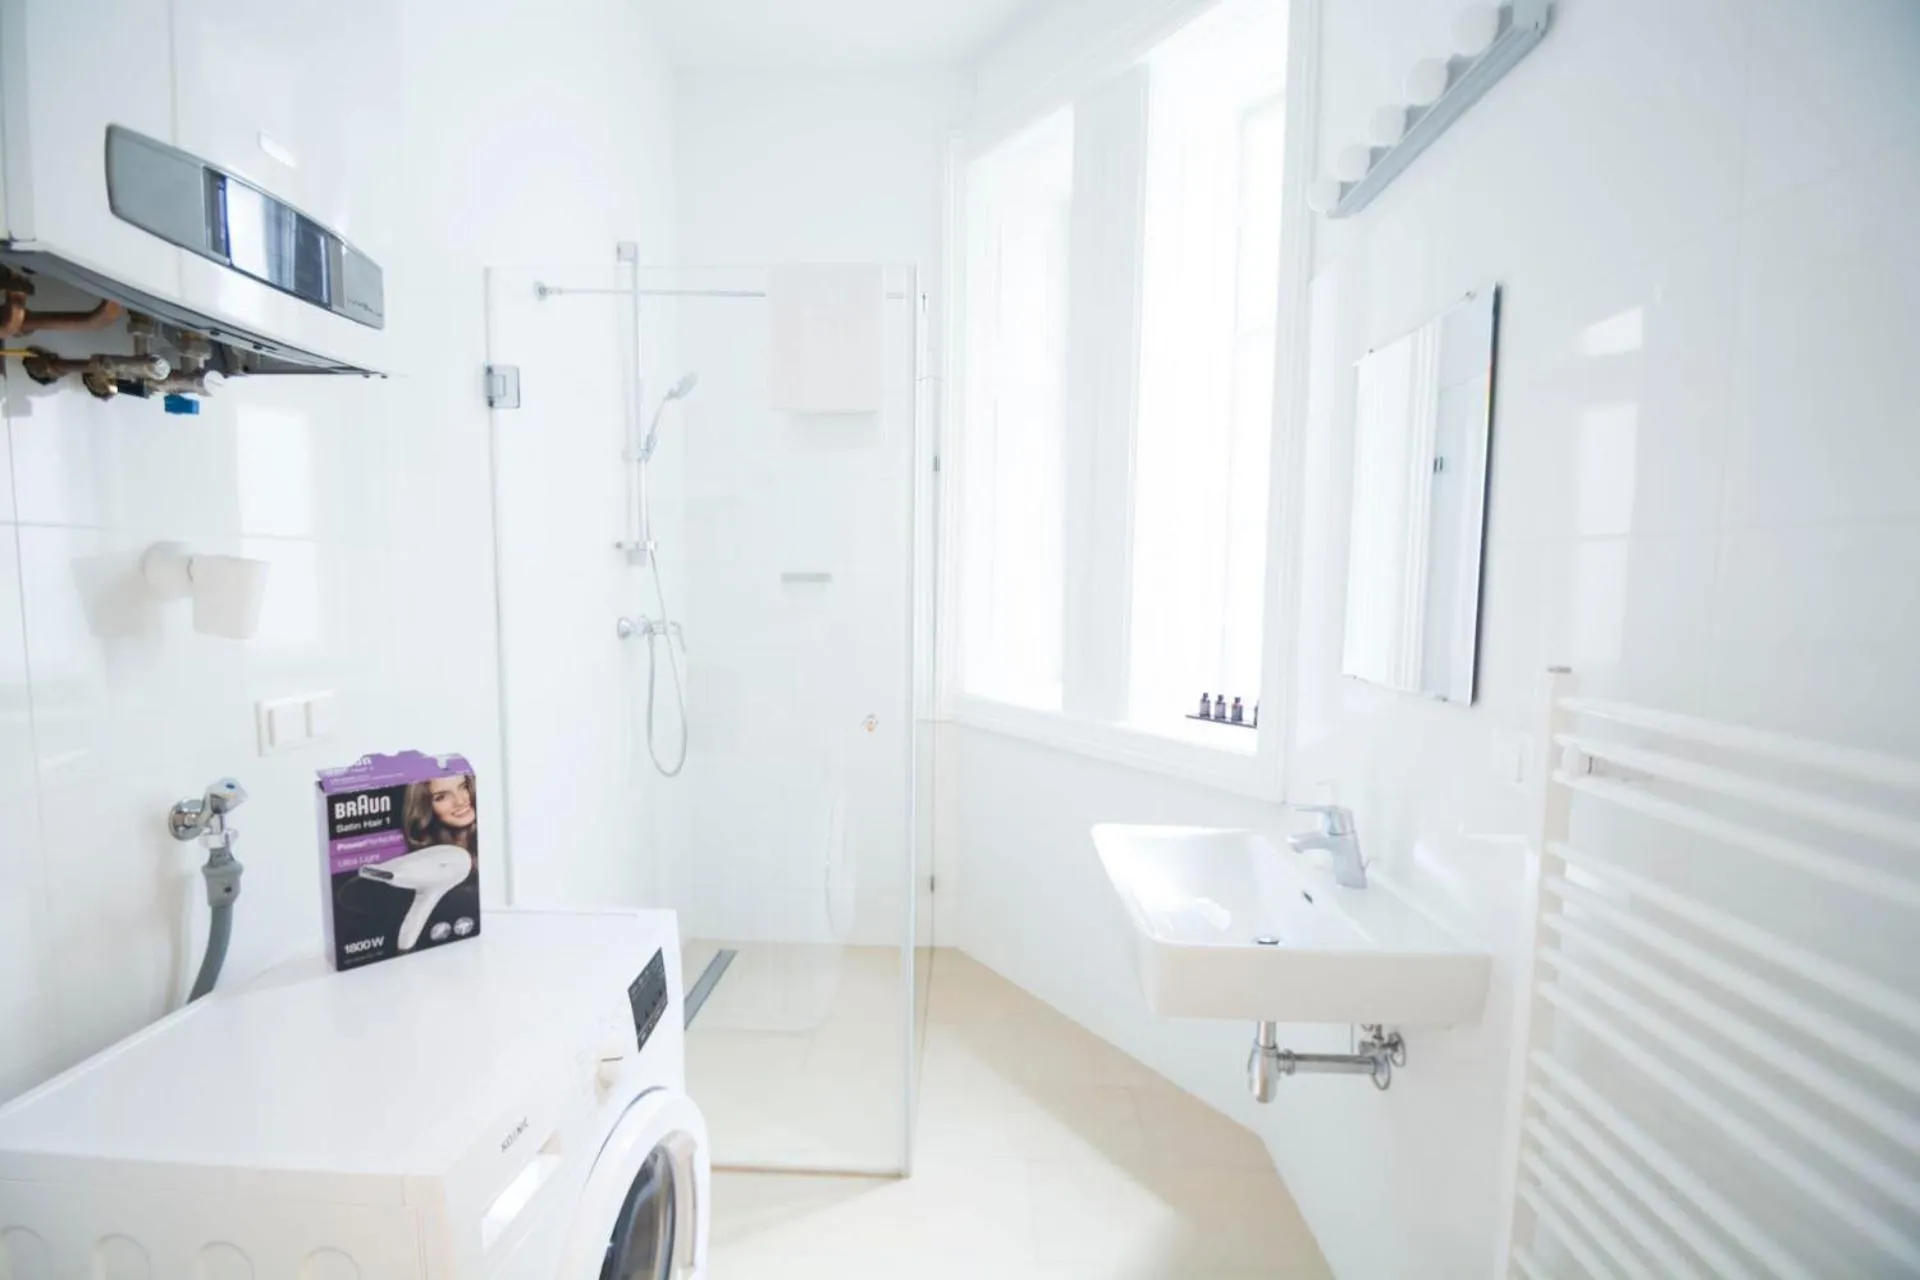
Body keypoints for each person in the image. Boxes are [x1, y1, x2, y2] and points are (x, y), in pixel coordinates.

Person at [403, 772, 477, 855]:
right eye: (441, 797)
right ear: (425, 807)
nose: (460, 801)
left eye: (464, 787)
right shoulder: (426, 858)